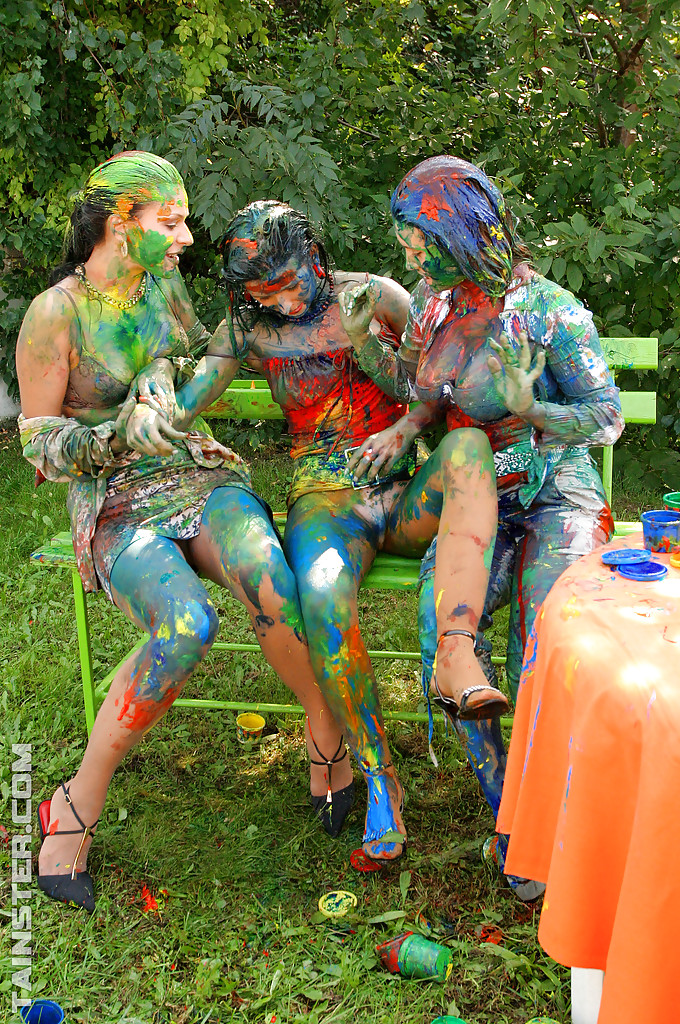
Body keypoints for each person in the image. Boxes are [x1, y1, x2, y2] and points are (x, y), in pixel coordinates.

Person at [16, 153, 350, 913]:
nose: (186, 237)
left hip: (195, 472)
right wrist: (113, 437)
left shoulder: (160, 284)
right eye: (169, 221)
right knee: (187, 624)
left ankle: (323, 732)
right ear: (117, 222)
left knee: (270, 575)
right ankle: (74, 803)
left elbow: (191, 357)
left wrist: (166, 379)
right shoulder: (55, 315)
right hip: (114, 499)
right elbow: (37, 444)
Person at [165, 200, 500, 864]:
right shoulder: (250, 330)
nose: (283, 301)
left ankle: (462, 669)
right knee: (321, 597)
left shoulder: (377, 297)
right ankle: (379, 777)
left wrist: (375, 361)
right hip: (323, 498)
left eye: (290, 283)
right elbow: (195, 393)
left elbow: (431, 391)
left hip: (404, 488)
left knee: (467, 455)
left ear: (315, 259)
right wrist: (151, 414)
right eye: (264, 292)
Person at [339, 154, 624, 897]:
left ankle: (551, 810)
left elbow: (607, 417)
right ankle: (507, 811)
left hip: (556, 492)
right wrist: (380, 370)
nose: (407, 252)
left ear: (456, 231)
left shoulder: (549, 309)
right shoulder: (434, 304)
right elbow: (421, 387)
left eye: (413, 235)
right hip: (476, 499)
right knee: (445, 634)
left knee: (543, 637)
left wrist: (533, 409)